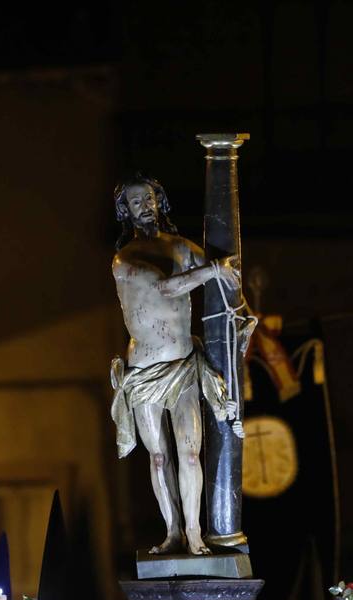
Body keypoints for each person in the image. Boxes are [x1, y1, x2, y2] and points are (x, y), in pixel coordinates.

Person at [110, 174, 244, 555]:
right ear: (126, 212)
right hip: (144, 372)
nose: (144, 206)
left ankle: (194, 531)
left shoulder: (182, 248)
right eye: (136, 202)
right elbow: (167, 287)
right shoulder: (125, 260)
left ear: (159, 201)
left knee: (189, 452)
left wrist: (243, 312)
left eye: (149, 198)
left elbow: (227, 282)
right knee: (158, 455)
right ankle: (171, 532)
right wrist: (214, 270)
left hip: (184, 365)